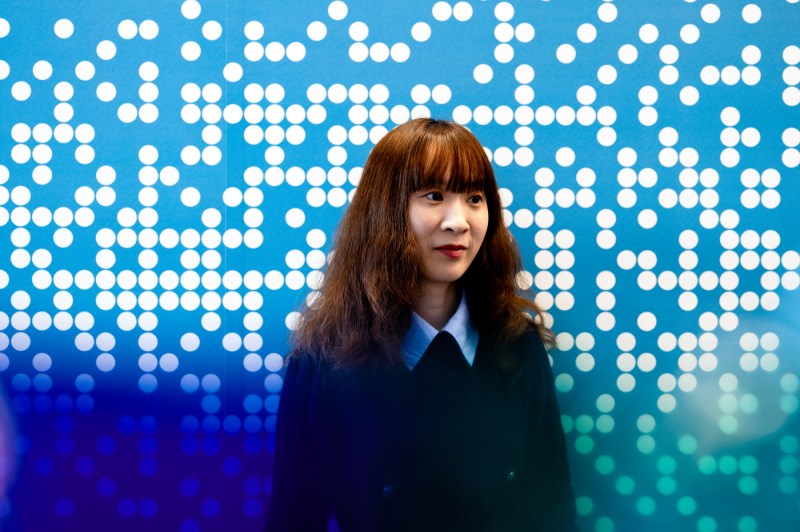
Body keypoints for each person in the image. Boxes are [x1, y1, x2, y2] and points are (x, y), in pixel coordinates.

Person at [265, 118, 578, 531]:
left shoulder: (516, 345)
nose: (458, 221)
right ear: (385, 210)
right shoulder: (323, 359)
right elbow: (293, 519)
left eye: (474, 197)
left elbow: (552, 510)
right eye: (433, 195)